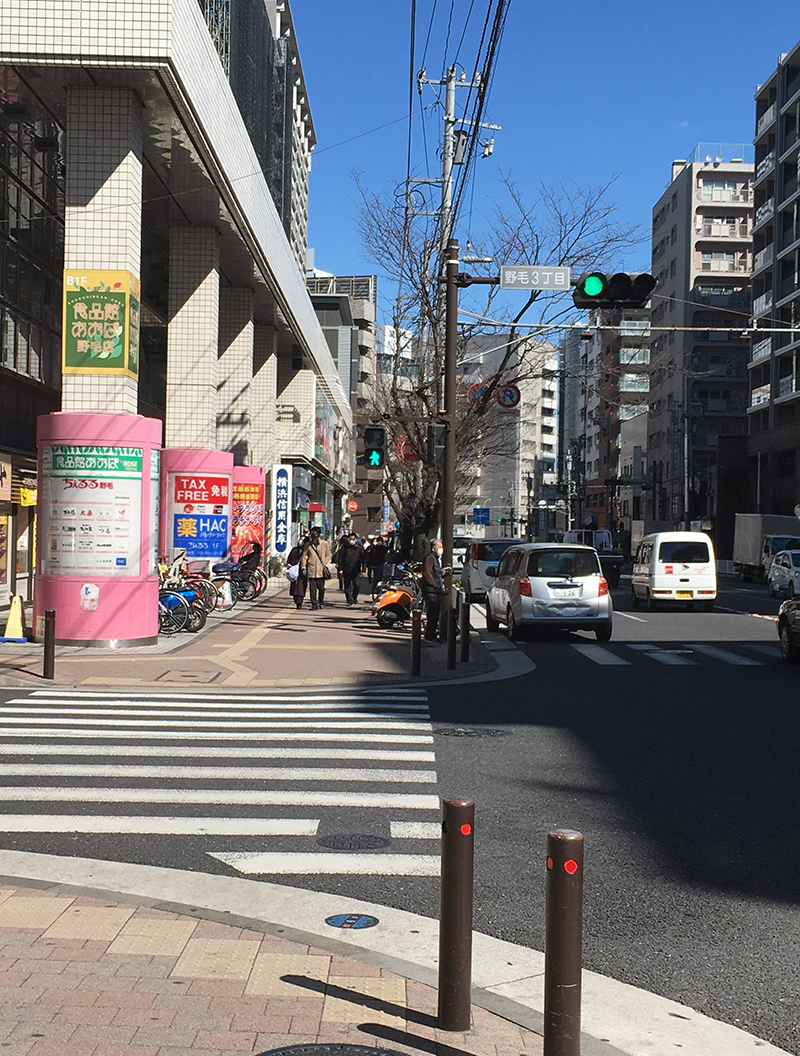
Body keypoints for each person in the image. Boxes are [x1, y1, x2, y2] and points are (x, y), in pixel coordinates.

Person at [301, 525, 332, 610]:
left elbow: (328, 555)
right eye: (312, 534)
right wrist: (303, 567)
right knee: (312, 589)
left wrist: (323, 563)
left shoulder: (324, 544)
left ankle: (321, 601)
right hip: (311, 569)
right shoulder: (308, 545)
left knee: (321, 588)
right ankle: (314, 604)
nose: (313, 536)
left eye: (314, 534)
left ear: (318, 534)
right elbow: (304, 556)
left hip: (321, 570)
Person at [422, 538, 446, 640]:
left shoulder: (436, 558)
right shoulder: (430, 558)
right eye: (439, 547)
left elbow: (436, 573)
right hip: (431, 591)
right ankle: (430, 636)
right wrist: (435, 585)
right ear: (433, 548)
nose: (441, 549)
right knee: (432, 614)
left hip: (435, 590)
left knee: (434, 614)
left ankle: (431, 635)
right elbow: (428, 574)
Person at [337, 532, 364, 607]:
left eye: (353, 539)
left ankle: (354, 596)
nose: (351, 540)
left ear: (356, 539)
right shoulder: (344, 547)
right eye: (350, 539)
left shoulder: (359, 548)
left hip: (356, 570)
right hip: (346, 569)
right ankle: (350, 600)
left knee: (357, 585)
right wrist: (340, 568)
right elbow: (340, 558)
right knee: (347, 586)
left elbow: (363, 559)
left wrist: (363, 570)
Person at [286, 538, 306, 610]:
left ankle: (299, 601)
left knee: (301, 586)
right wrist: (289, 565)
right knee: (296, 586)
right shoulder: (294, 550)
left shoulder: (306, 550)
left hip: (302, 571)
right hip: (294, 572)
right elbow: (289, 559)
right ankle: (296, 599)